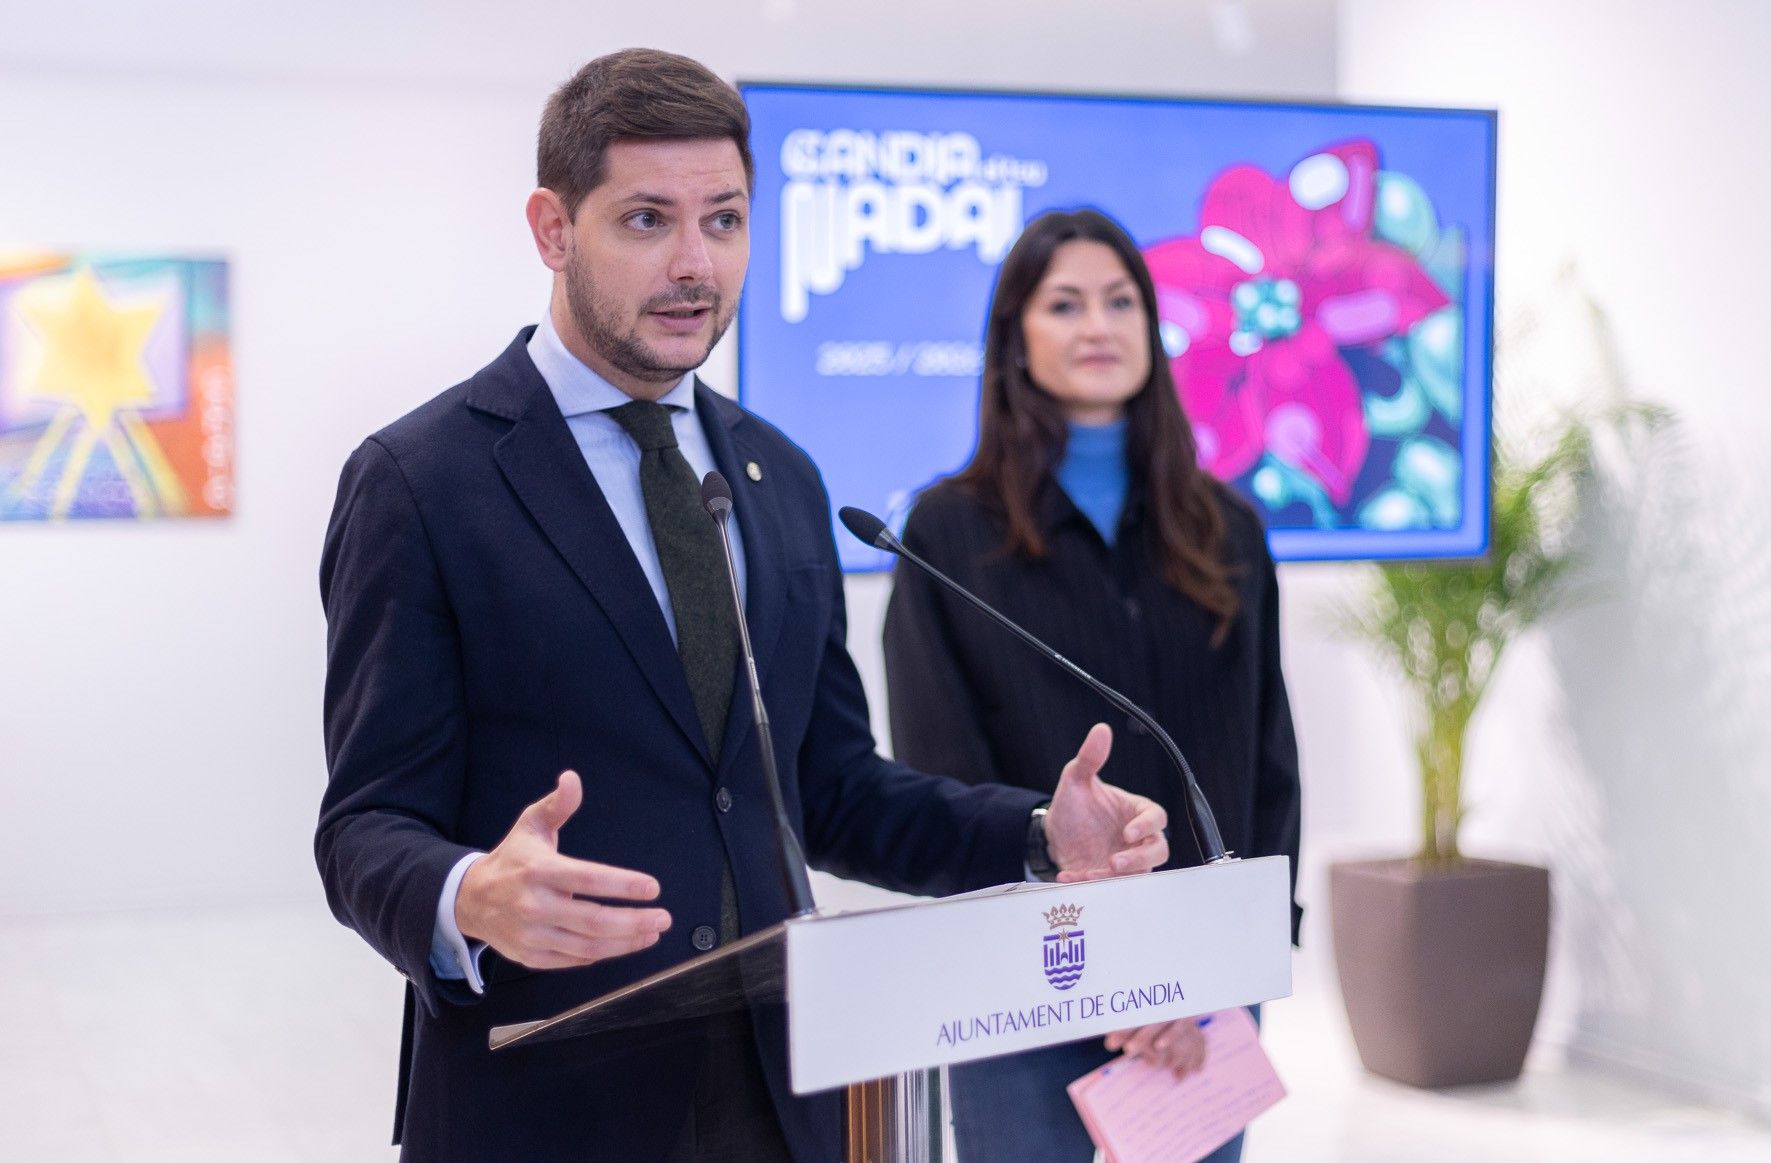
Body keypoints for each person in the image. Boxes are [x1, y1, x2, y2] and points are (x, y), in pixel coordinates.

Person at [316, 52, 1172, 1163]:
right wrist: (467, 891)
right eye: (645, 219)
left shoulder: (779, 474)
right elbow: (362, 826)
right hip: (546, 1101)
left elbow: (829, 786)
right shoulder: (422, 479)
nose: (693, 263)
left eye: (723, 220)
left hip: (787, 1095)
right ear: (551, 228)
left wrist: (1034, 837)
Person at [882, 208, 1303, 1163]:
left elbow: (1266, 768)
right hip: (1027, 990)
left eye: (1120, 301)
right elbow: (942, 778)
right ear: (1015, 338)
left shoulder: (1227, 527)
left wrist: (1220, 970)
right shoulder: (945, 535)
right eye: (1064, 304)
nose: (1097, 326)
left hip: (1203, 1000)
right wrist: (1116, 981)